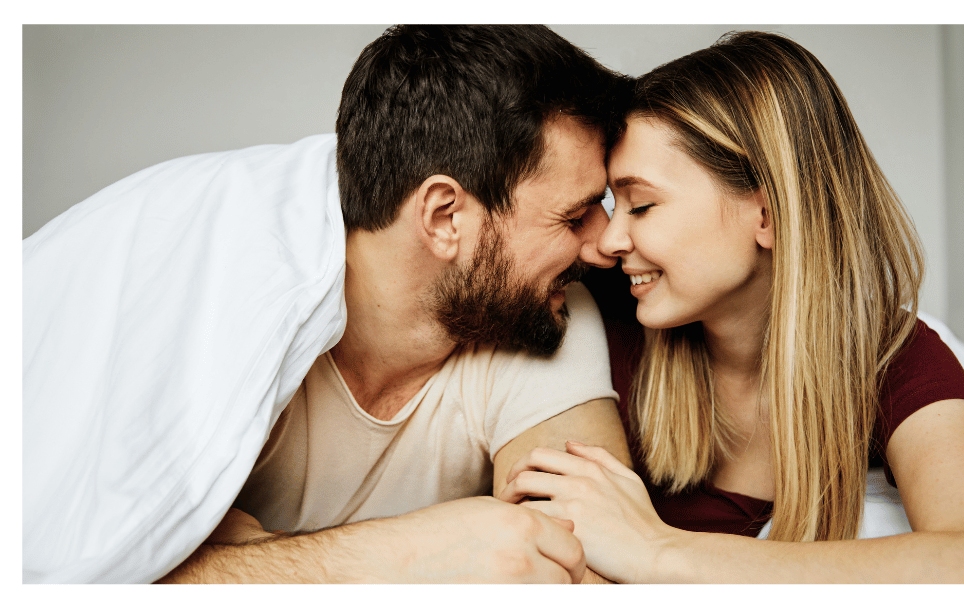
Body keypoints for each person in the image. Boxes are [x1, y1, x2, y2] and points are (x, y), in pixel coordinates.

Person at [23, 25, 631, 583]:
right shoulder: (227, 301)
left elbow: (587, 572)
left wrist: (248, 560)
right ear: (445, 215)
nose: (606, 243)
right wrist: (408, 556)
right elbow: (77, 568)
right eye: (575, 215)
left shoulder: (534, 306)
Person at [501, 31, 964, 583]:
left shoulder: (888, 358)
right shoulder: (598, 317)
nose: (609, 242)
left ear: (768, 214)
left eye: (641, 205)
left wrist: (659, 550)